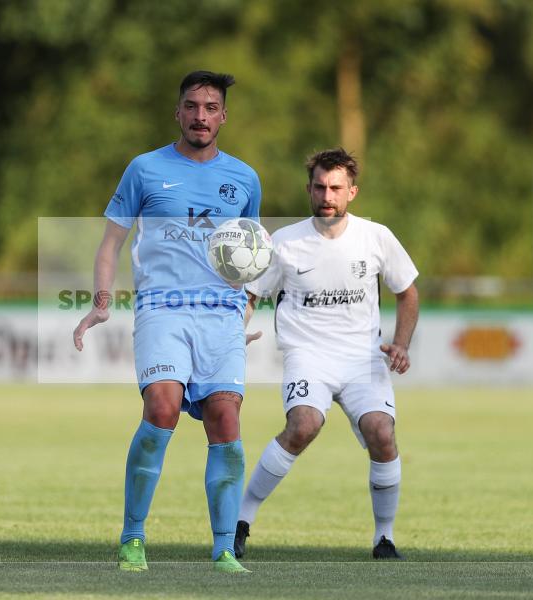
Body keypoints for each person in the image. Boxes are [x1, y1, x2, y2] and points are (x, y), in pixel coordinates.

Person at [73, 71, 260, 573]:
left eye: (211, 107)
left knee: (226, 421)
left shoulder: (244, 179)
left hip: (220, 317)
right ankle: (133, 537)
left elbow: (254, 256)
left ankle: (224, 549)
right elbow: (111, 242)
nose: (201, 116)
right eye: (192, 106)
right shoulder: (145, 169)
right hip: (162, 309)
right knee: (162, 407)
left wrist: (247, 309)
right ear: (177, 112)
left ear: (224, 115)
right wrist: (102, 300)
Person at [235, 148, 418, 560]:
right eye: (319, 186)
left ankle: (384, 537)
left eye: (336, 187)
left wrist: (401, 343)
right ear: (309, 189)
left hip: (363, 358)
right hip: (308, 356)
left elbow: (407, 292)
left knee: (382, 434)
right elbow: (250, 296)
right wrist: (234, 336)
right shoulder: (284, 242)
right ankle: (240, 521)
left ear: (352, 192)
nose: (327, 195)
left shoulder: (376, 237)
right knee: (302, 425)